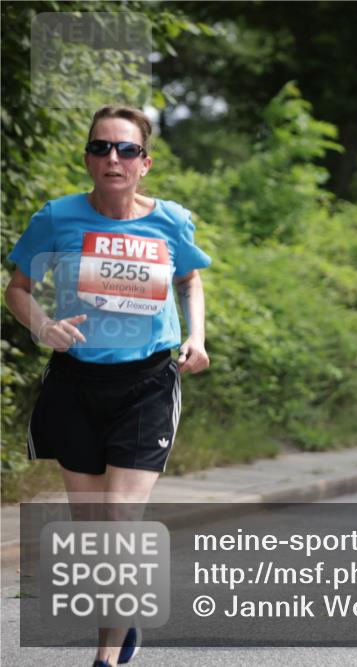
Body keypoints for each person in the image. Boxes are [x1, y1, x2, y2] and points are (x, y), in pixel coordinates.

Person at [4, 105, 211, 667]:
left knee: (120, 519)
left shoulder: (170, 220)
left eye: (126, 149)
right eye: (101, 147)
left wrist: (196, 336)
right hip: (76, 383)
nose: (112, 158)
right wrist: (43, 325)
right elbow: (17, 288)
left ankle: (105, 656)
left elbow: (190, 280)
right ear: (88, 159)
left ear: (145, 163)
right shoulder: (57, 218)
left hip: (147, 382)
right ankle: (123, 617)